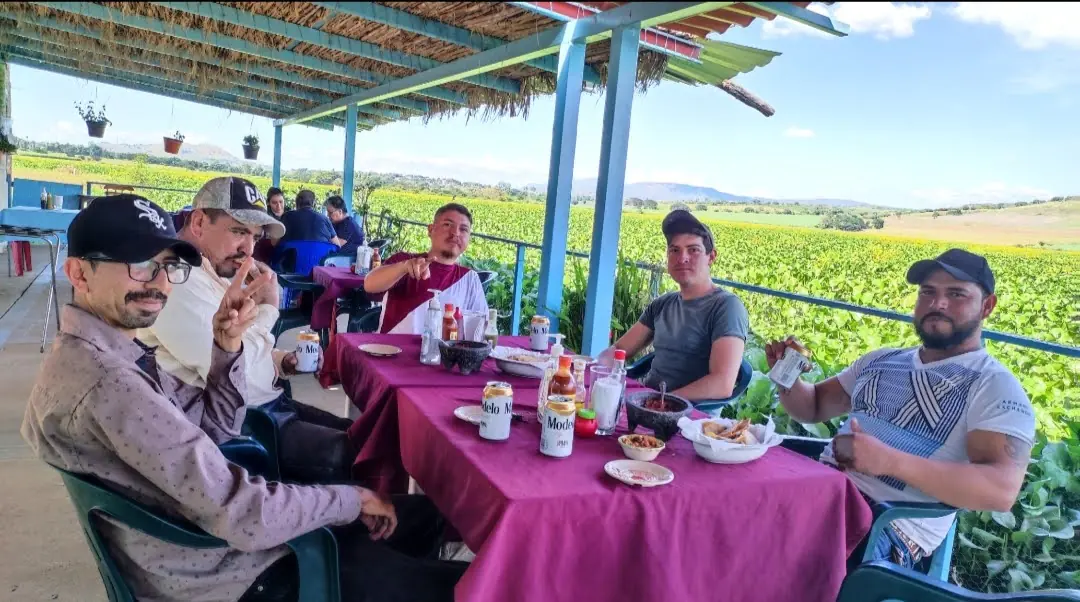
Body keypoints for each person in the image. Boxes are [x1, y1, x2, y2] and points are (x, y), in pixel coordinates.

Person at [22, 194, 466, 602]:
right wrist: (352, 500)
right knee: (462, 583)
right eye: (140, 264)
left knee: (421, 516)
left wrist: (226, 348)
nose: (160, 285)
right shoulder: (108, 383)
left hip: (210, 544)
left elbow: (216, 429)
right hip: (235, 574)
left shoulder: (102, 355)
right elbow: (243, 511)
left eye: (168, 267)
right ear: (79, 272)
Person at [765, 248, 1035, 570]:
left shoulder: (993, 385)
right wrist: (787, 377)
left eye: (956, 294)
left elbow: (999, 490)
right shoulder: (881, 360)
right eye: (928, 292)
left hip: (884, 525)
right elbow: (812, 407)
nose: (938, 304)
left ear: (987, 306)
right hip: (819, 490)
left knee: (765, 552)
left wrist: (890, 461)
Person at [140, 177, 356, 484]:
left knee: (367, 437)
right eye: (239, 231)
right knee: (365, 456)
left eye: (255, 236)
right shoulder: (176, 279)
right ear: (199, 222)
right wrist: (269, 310)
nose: (249, 249)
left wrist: (281, 361)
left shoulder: (212, 269)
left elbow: (242, 345)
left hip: (266, 408)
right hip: (239, 435)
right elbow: (236, 369)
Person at [601, 210, 749, 404]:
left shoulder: (726, 307)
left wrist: (661, 401)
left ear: (711, 257)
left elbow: (722, 383)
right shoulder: (663, 304)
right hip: (645, 403)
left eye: (693, 250)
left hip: (690, 417)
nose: (682, 258)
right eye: (675, 250)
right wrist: (586, 370)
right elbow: (620, 349)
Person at [364, 203, 489, 334]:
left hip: (446, 352)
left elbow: (481, 328)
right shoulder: (404, 261)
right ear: (430, 230)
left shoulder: (470, 279)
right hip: (393, 350)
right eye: (447, 225)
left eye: (463, 229)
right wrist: (404, 267)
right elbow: (369, 284)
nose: (455, 233)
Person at [254, 186, 286, 263]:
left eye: (281, 202)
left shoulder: (289, 214)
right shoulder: (265, 216)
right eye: (274, 203)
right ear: (268, 203)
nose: (278, 206)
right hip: (268, 251)